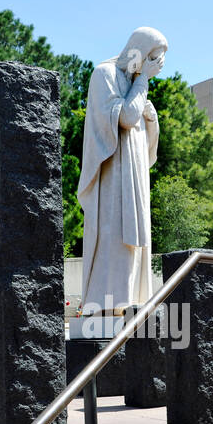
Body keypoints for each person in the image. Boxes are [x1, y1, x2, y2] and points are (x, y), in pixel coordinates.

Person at [77, 26, 167, 319]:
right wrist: (142, 84)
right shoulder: (105, 75)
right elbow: (126, 118)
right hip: (114, 179)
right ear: (138, 52)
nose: (157, 66)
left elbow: (146, 143)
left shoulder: (135, 84)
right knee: (115, 239)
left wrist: (151, 119)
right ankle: (103, 304)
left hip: (136, 179)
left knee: (136, 242)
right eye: (153, 58)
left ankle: (132, 301)